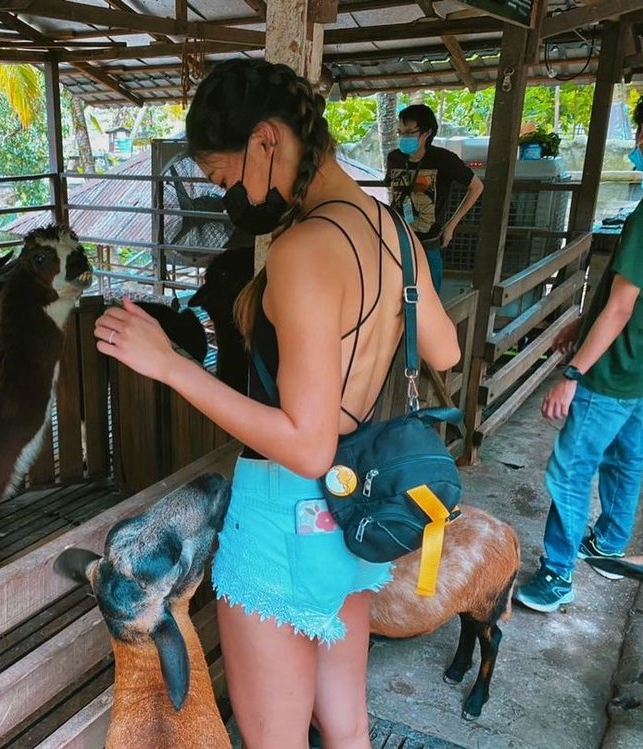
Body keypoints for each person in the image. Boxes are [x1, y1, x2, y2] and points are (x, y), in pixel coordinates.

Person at [94, 59, 460, 749]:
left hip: (280, 524)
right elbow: (443, 351)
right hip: (351, 515)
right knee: (347, 728)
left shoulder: (302, 249)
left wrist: (171, 365)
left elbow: (306, 441)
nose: (228, 193)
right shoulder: (390, 228)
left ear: (266, 141)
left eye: (225, 176)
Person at [514, 101, 643, 614]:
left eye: (642, 133)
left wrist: (572, 374)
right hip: (638, 369)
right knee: (627, 458)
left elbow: (620, 306)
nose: (637, 145)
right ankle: (610, 545)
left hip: (611, 373)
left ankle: (557, 572)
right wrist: (580, 323)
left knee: (569, 470)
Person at [384, 104, 484, 293]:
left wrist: (451, 225)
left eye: (409, 132)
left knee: (428, 298)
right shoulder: (395, 158)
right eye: (400, 133)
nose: (404, 138)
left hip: (427, 244)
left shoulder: (444, 159)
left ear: (426, 133)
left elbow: (477, 187)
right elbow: (392, 191)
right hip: (396, 242)